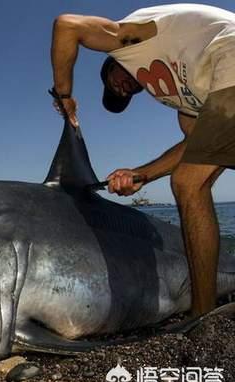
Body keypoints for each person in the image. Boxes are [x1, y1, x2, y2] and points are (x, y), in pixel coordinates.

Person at [51, 4, 235, 317]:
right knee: (193, 174)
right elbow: (195, 147)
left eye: (115, 83)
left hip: (228, 50)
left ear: (112, 64)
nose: (122, 89)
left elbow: (67, 25)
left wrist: (64, 95)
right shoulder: (181, 97)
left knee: (188, 184)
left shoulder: (128, 38)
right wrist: (140, 175)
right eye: (123, 94)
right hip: (221, 82)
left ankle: (203, 320)